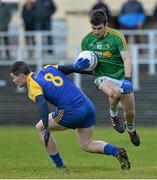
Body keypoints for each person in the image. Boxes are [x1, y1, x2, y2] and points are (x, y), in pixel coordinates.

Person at [10, 60, 131, 170]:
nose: (14, 81)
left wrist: (46, 127)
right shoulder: (48, 68)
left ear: (21, 76)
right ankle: (116, 151)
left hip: (72, 111)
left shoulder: (33, 85)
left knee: (40, 128)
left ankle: (59, 166)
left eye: (14, 78)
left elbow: (42, 103)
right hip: (88, 106)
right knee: (86, 144)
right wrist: (84, 68)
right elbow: (71, 68)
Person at [72, 9, 140, 146]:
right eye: (93, 28)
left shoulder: (117, 37)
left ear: (106, 24)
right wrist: (79, 66)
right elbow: (87, 62)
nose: (96, 32)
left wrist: (127, 79)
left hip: (121, 77)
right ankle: (113, 115)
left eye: (99, 28)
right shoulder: (87, 41)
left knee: (130, 114)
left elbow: (127, 58)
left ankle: (131, 129)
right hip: (103, 77)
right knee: (115, 93)